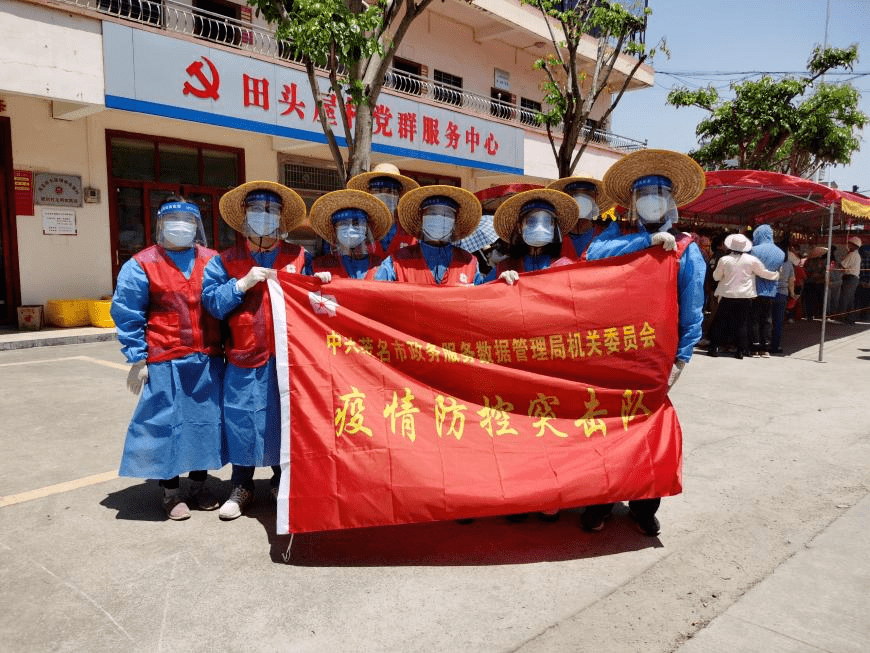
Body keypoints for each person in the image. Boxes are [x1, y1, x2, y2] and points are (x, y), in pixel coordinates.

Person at [581, 149, 707, 537]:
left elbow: (692, 308)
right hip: (611, 352)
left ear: (670, 201)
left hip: (655, 357)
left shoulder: (687, 249)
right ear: (632, 202)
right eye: (644, 194)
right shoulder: (615, 236)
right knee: (604, 429)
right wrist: (645, 243)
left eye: (659, 193)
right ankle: (599, 502)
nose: (652, 200)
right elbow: (592, 256)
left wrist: (681, 359)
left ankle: (643, 506)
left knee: (647, 435)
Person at [202, 181, 320, 521]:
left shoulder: (299, 257)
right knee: (243, 418)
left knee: (285, 420)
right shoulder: (225, 261)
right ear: (243, 218)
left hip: (289, 358)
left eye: (271, 211)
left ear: (282, 219)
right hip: (244, 355)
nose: (263, 217)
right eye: (257, 210)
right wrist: (241, 284)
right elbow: (212, 303)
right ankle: (241, 485)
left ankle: (282, 479)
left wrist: (321, 289)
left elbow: (316, 302)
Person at [111, 197, 224, 520]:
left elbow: (226, 304)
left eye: (187, 220)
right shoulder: (143, 264)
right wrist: (138, 359)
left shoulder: (212, 260)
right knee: (166, 426)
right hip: (165, 359)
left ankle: (200, 486)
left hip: (207, 358)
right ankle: (170, 491)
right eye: (173, 219)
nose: (180, 226)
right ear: (160, 225)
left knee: (204, 425)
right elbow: (128, 312)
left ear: (196, 226)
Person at [374, 185, 486, 285]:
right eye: (432, 213)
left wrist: (500, 280)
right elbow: (376, 294)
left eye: (447, 215)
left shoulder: (469, 263)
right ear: (421, 219)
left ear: (455, 222)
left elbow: (483, 299)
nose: (439, 219)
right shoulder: (396, 262)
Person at [707, 233, 779, 359]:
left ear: (731, 246)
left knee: (720, 322)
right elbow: (763, 273)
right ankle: (741, 351)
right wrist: (776, 274)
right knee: (742, 323)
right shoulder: (751, 260)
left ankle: (714, 348)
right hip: (745, 296)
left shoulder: (724, 259)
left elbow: (716, 277)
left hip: (727, 295)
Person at [492, 187, 579, 280]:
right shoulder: (503, 267)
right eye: (531, 220)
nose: (539, 227)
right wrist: (499, 281)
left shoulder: (566, 267)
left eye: (546, 221)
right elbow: (480, 289)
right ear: (520, 227)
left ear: (554, 226)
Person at [309, 189, 393, 279]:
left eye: (356, 223)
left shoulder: (382, 266)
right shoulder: (319, 266)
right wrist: (314, 283)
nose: (350, 228)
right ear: (334, 229)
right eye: (343, 223)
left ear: (366, 228)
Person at [346, 162, 420, 258]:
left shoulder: (411, 232)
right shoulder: (355, 230)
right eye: (378, 190)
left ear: (399, 195)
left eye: (390, 191)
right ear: (369, 193)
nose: (384, 195)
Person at [545, 173, 617, 260]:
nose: (581, 199)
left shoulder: (608, 236)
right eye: (574, 193)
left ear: (595, 198)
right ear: (566, 199)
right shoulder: (550, 239)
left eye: (588, 194)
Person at [749, 225, 785, 357]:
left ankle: (754, 347)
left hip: (755, 289)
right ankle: (766, 347)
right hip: (771, 290)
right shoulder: (780, 252)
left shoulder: (754, 250)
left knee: (754, 319)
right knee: (767, 319)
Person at [771, 244, 797, 354]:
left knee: (767, 320)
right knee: (778, 322)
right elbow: (791, 281)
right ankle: (775, 346)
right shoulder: (789, 264)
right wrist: (792, 293)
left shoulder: (771, 262)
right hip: (782, 294)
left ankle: (764, 344)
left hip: (770, 293)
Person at [838, 236, 862, 323]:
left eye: (850, 244)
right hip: (853, 279)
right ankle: (851, 318)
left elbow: (842, 265)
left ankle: (842, 316)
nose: (848, 246)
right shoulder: (856, 255)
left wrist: (840, 260)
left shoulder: (852, 254)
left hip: (850, 278)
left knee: (845, 298)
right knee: (850, 299)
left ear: (854, 246)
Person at [802, 246, 828, 320]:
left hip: (815, 282)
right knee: (813, 300)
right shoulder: (809, 262)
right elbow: (805, 271)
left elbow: (824, 271)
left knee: (815, 300)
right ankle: (811, 315)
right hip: (812, 282)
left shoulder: (820, 262)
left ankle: (815, 314)